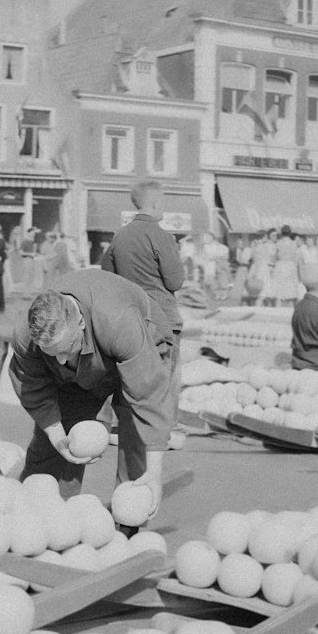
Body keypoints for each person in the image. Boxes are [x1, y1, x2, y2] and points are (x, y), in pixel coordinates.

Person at [8, 268, 172, 517]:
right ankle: (45, 514)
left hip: (142, 341)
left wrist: (156, 475)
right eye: (52, 353)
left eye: (66, 348)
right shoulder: (26, 336)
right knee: (51, 444)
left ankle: (129, 524)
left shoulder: (119, 322)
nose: (61, 361)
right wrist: (56, 437)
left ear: (80, 323)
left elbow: (148, 396)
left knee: (134, 437)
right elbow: (33, 387)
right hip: (91, 354)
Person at [99, 179, 186, 445]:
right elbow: (175, 282)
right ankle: (162, 429)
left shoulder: (120, 236)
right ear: (155, 203)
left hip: (130, 317)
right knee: (165, 376)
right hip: (163, 318)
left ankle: (128, 426)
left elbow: (107, 275)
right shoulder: (162, 236)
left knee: (130, 372)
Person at [269, 225, 300, 306]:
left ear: (282, 233)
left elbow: (275, 256)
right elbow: (296, 257)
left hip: (280, 265)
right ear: (290, 233)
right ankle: (290, 312)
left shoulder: (278, 243)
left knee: (279, 292)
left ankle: (277, 310)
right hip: (290, 266)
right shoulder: (294, 244)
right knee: (290, 292)